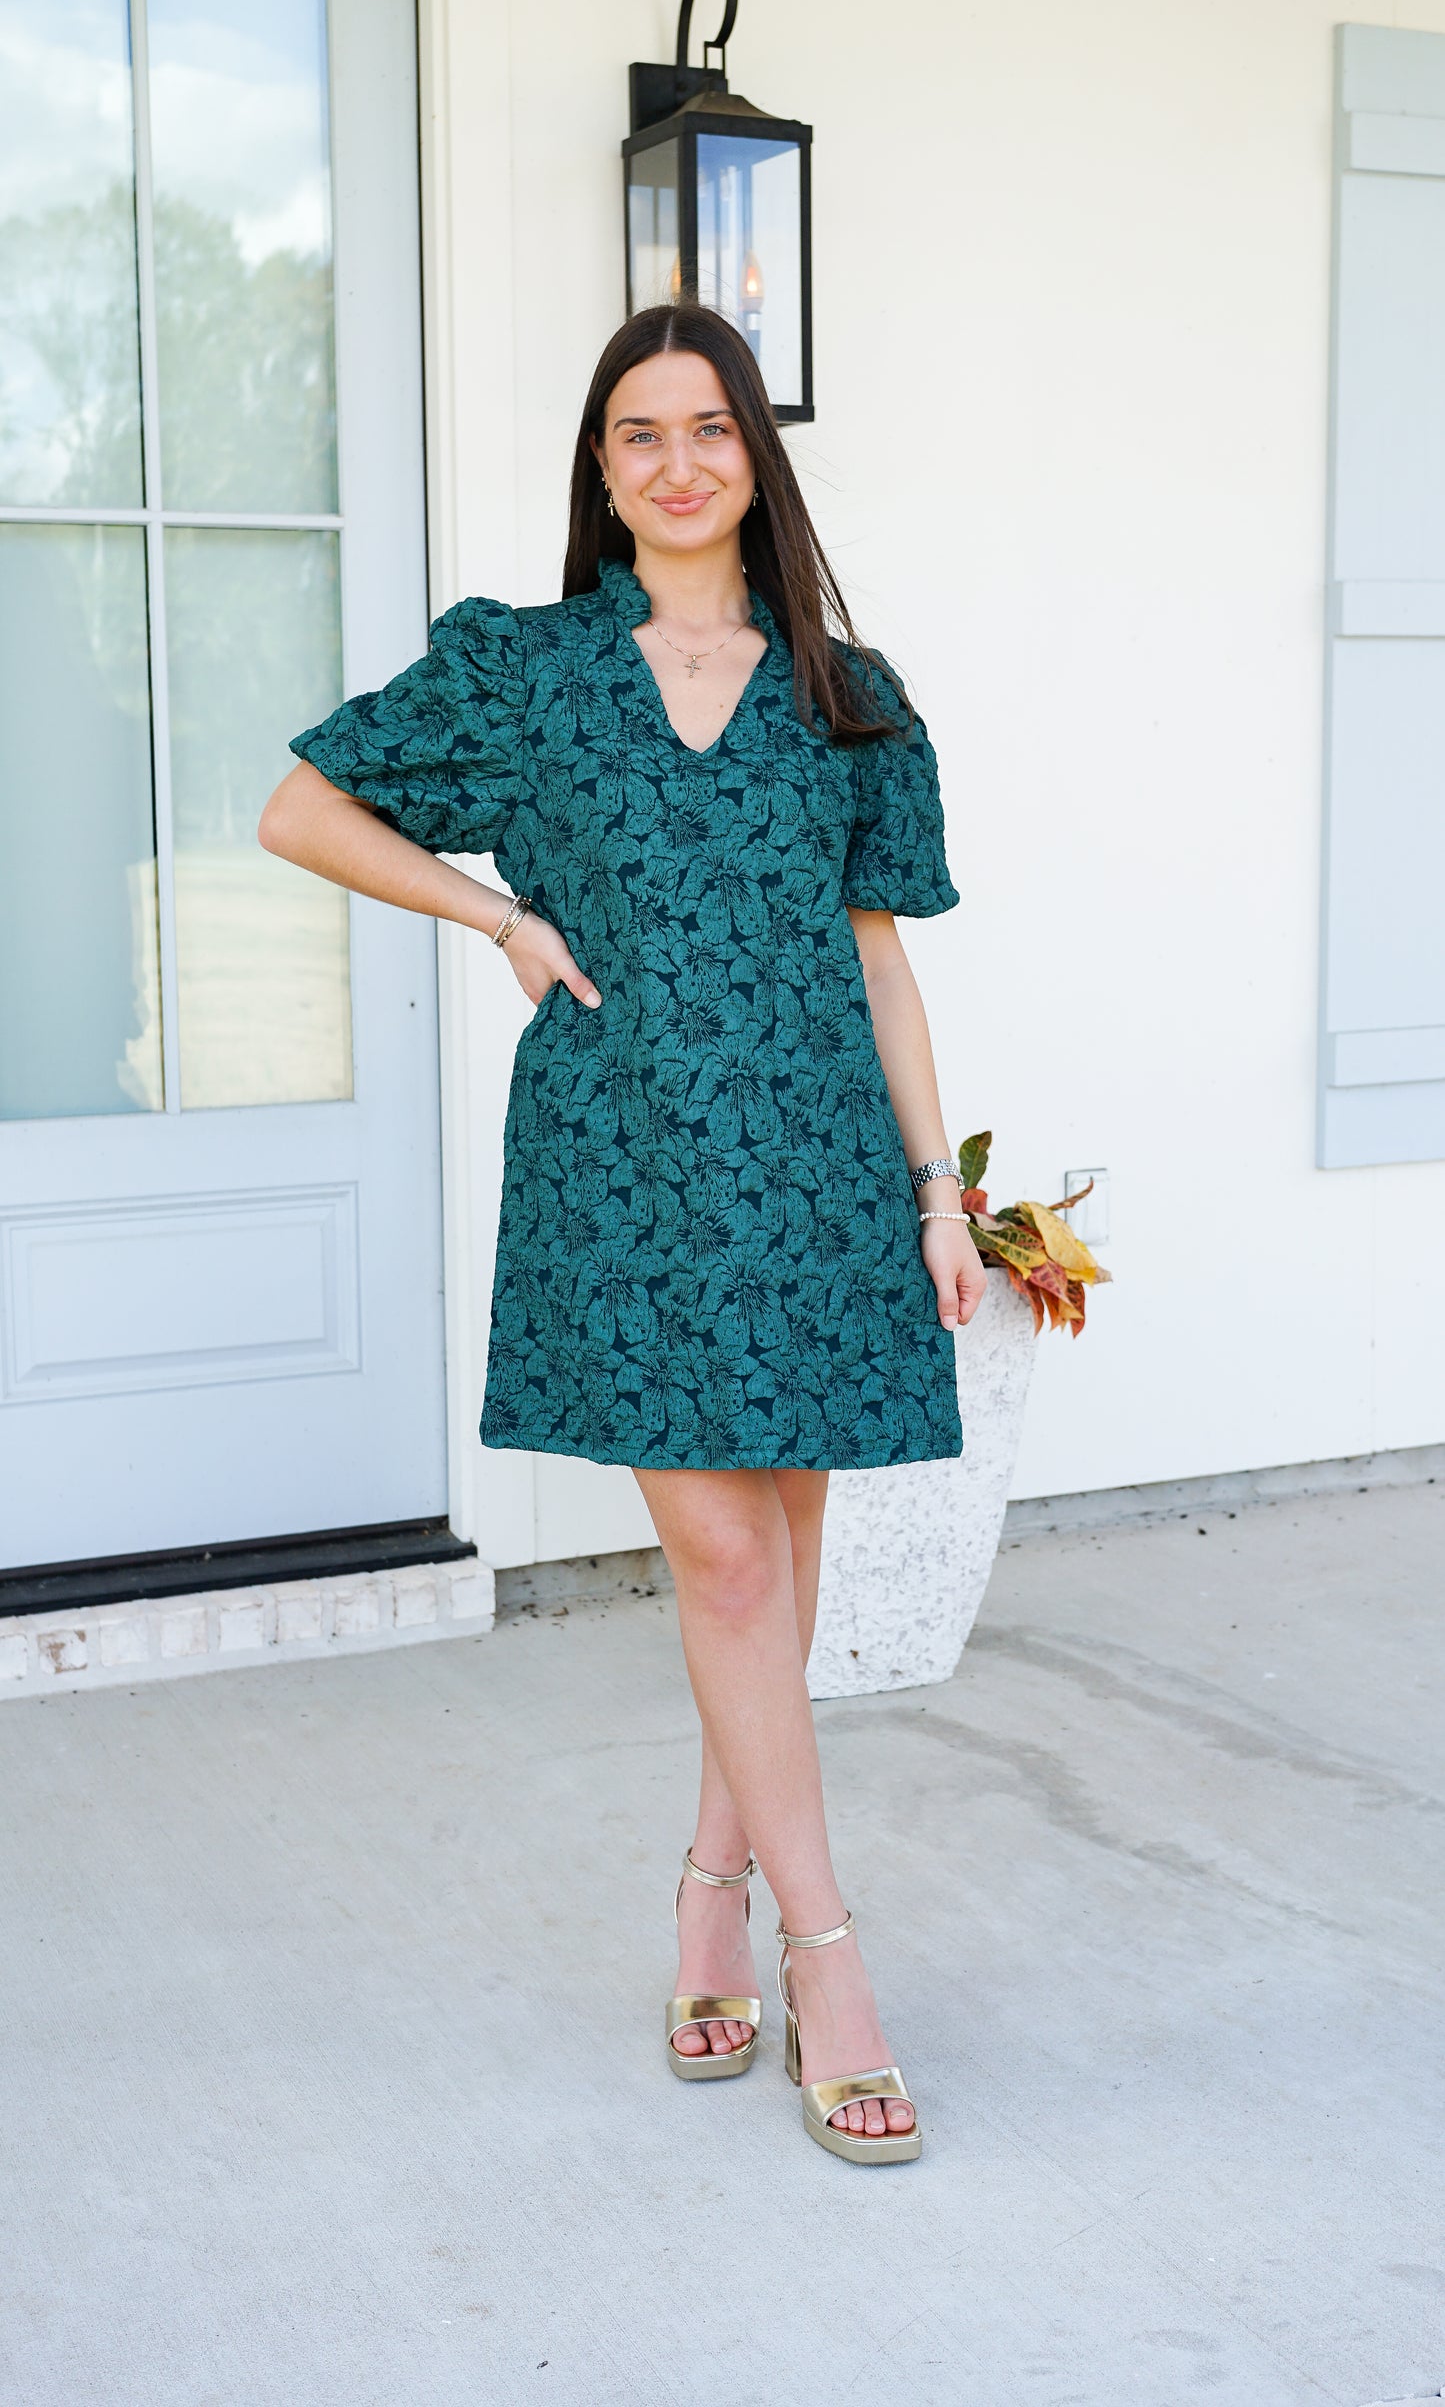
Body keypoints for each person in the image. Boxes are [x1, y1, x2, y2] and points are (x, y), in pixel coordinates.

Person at [260, 301, 986, 2164]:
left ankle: (706, 1892)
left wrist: (937, 1196)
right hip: (626, 1165)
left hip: (820, 1165)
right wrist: (494, 917)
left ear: (758, 455)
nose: (677, 462)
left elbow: (878, 965)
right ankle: (830, 1960)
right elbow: (299, 809)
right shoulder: (527, 673)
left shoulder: (849, 689)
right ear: (601, 468)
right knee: (728, 1569)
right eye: (639, 433)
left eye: (710, 428)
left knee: (782, 1551)